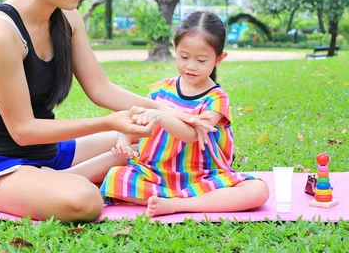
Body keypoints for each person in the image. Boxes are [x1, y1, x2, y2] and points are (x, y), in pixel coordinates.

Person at [0, 0, 207, 223]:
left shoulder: (67, 18)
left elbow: (100, 88)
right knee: (84, 201)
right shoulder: (0, 33)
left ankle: (63, 175)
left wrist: (169, 111)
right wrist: (110, 124)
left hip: (49, 152)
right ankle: (71, 179)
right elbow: (23, 131)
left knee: (157, 133)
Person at [101, 11, 270, 217]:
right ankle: (182, 201)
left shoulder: (216, 98)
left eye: (201, 60)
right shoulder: (161, 90)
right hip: (156, 174)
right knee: (115, 176)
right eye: (184, 56)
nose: (190, 66)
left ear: (219, 59)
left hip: (203, 177)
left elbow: (192, 134)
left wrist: (161, 115)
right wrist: (123, 143)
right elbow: (133, 118)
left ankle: (177, 205)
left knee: (258, 190)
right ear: (174, 48)